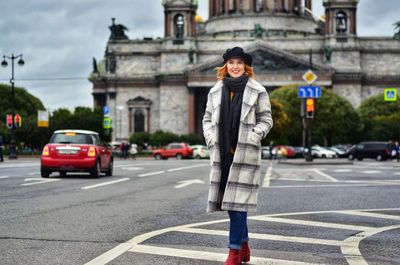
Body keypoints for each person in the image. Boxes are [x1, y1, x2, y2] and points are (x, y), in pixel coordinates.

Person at [202, 47, 273, 265]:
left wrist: (254, 136)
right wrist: (211, 137)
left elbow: (266, 120)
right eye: (231, 63)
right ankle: (244, 246)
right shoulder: (215, 91)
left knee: (239, 205)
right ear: (225, 66)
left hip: (245, 154)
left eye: (239, 63)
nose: (235, 66)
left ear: (246, 67)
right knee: (231, 205)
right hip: (223, 155)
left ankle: (233, 253)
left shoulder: (258, 90)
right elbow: (206, 118)